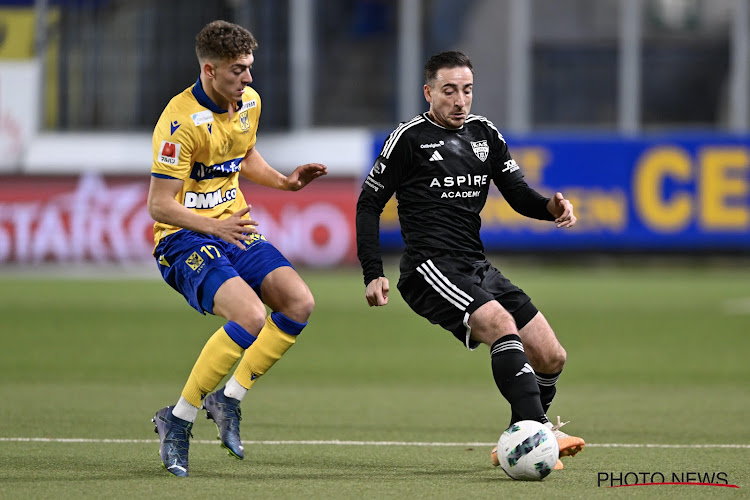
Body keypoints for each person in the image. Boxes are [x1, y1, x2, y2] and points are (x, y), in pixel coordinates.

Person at [355, 51, 584, 471]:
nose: (460, 100)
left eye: (467, 90)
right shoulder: (408, 139)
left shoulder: (485, 134)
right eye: (449, 91)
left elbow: (517, 195)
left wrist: (549, 207)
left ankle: (517, 435)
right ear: (428, 93)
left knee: (551, 356)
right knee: (500, 324)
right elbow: (369, 203)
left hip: (475, 265)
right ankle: (537, 430)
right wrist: (373, 272)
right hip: (429, 268)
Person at [147, 20, 327, 477]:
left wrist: (284, 182)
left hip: (234, 227)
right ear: (209, 70)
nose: (248, 79)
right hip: (183, 237)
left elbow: (244, 156)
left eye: (249, 68)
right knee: (249, 316)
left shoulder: (248, 103)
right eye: (238, 70)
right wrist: (214, 226)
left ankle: (228, 399)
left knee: (299, 302)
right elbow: (159, 204)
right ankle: (178, 420)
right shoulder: (179, 122)